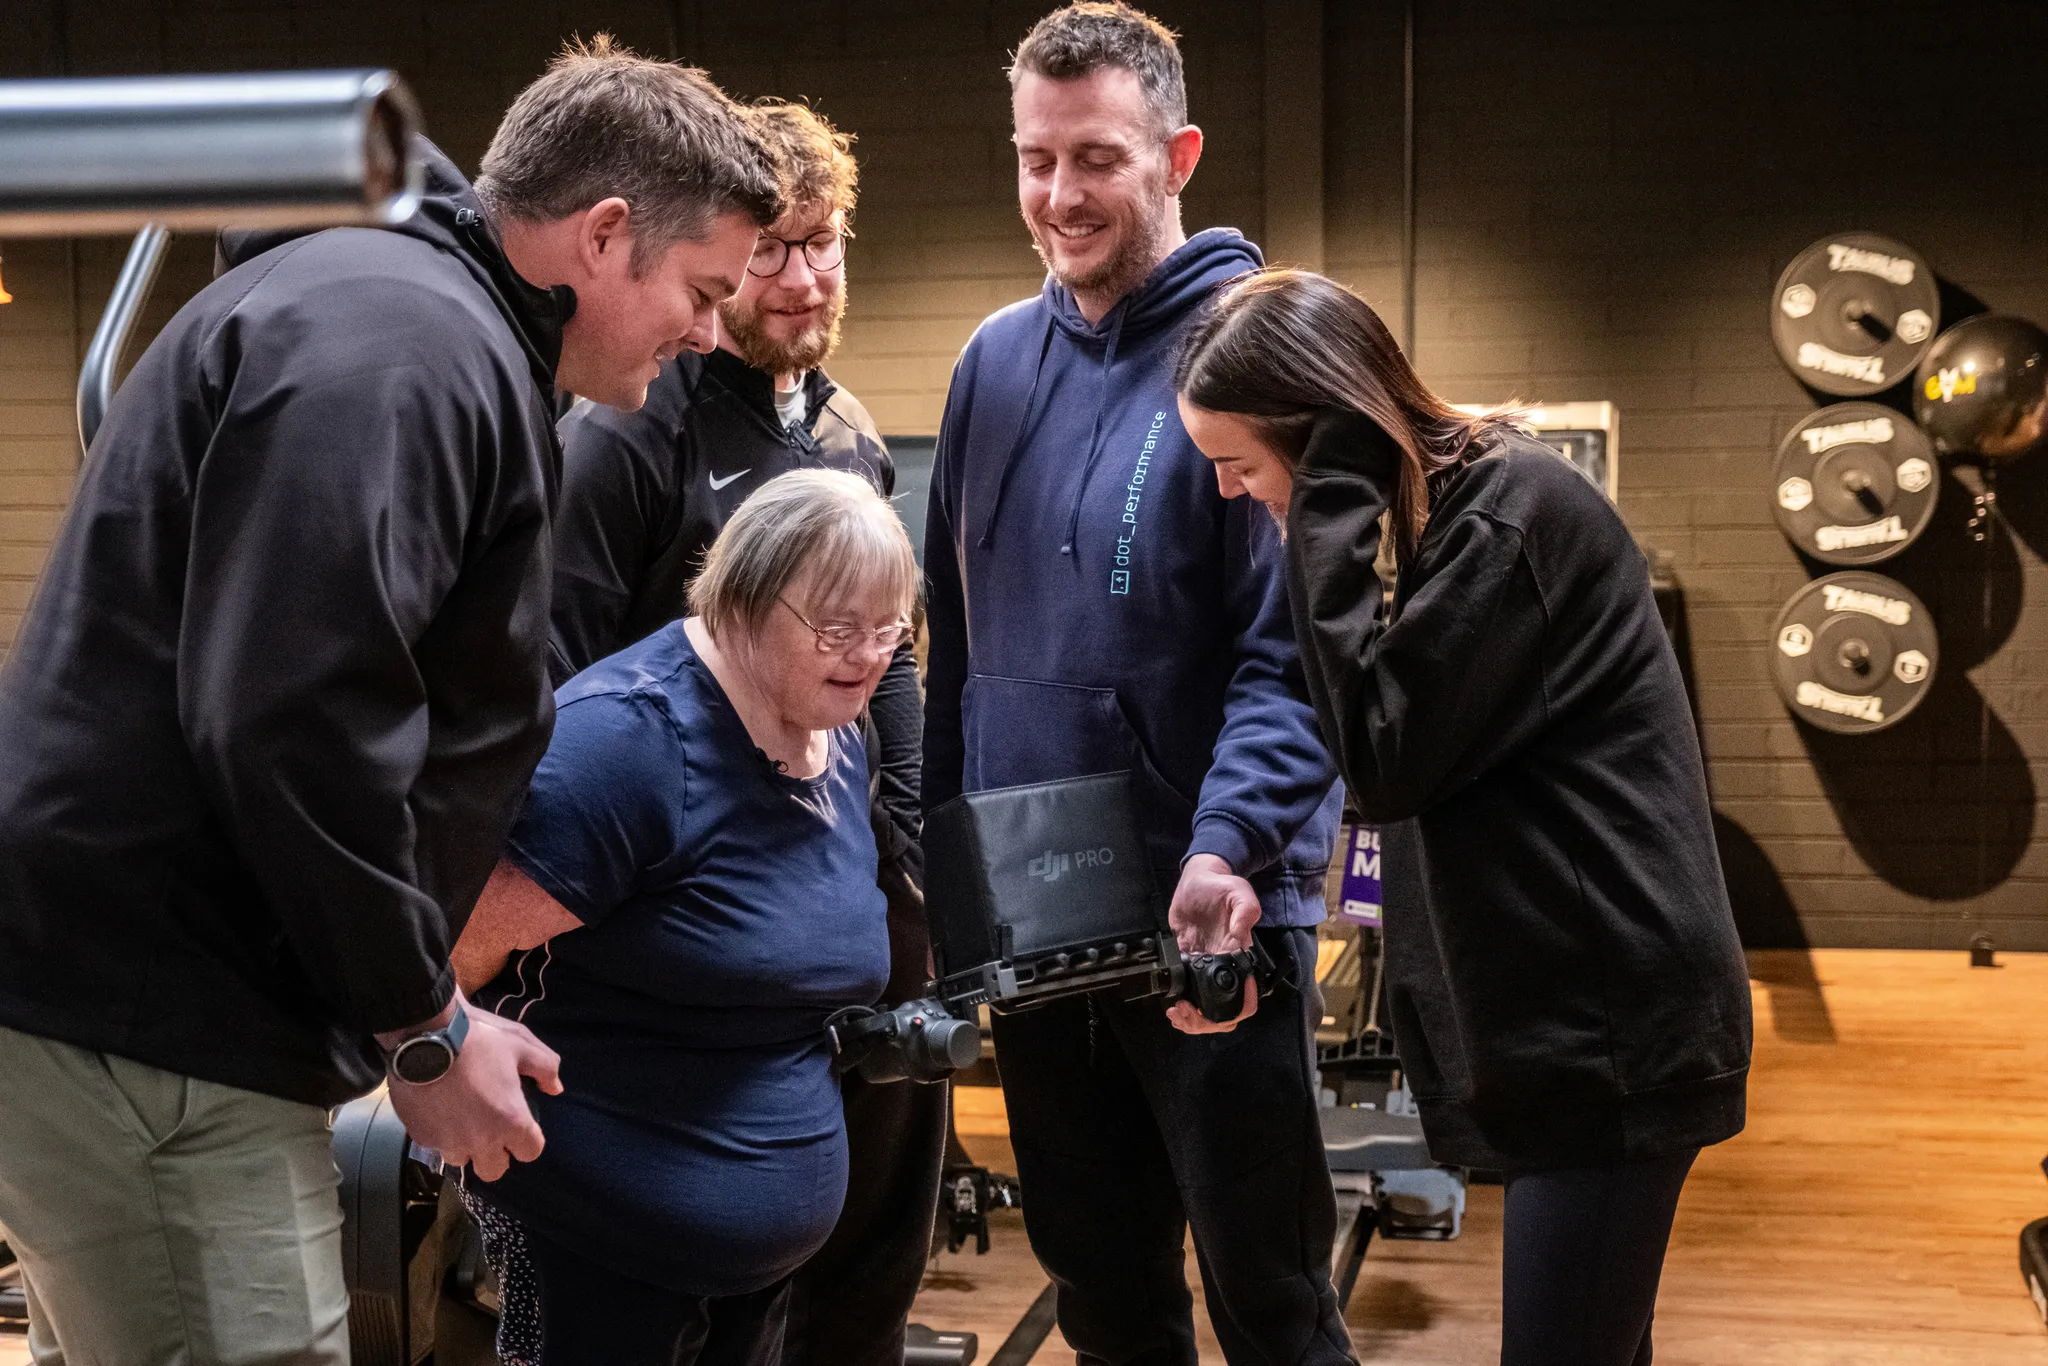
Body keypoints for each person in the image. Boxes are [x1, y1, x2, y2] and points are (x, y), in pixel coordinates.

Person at [0, 37, 780, 1366]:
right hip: (157, 1022)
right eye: (702, 288)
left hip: (163, 1010)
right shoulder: (406, 347)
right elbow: (293, 714)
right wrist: (422, 1026)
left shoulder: (424, 330)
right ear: (603, 235)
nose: (709, 333)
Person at [1173, 268, 1754, 1366]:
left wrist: (1330, 497)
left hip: (1610, 1034)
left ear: (1322, 434)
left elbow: (1382, 755)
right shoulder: (1460, 518)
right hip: (1571, 1026)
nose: (1228, 492)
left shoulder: (1509, 518)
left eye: (1238, 464)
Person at [922, 6, 1353, 1362]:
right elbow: (957, 650)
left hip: (1210, 918)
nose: (1059, 195)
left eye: (1096, 158)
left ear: (1179, 154)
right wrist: (945, 883)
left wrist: (1234, 842)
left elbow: (1298, 661)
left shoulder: (1256, 361)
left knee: (1274, 1307)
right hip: (1042, 918)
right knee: (1106, 1301)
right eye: (1035, 159)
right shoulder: (991, 363)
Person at [541, 99, 940, 1366]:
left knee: (867, 1229)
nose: (804, 275)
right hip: (674, 911)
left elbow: (891, 668)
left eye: (826, 244)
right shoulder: (629, 425)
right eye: (771, 249)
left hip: (837, 883)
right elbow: (549, 671)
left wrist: (919, 854)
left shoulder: (848, 437)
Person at [446, 469, 915, 1366]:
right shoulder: (624, 745)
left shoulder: (839, 735)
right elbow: (447, 957)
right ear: (742, 599)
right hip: (597, 1235)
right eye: (837, 629)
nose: (868, 656)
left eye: (889, 629)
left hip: (753, 1259)